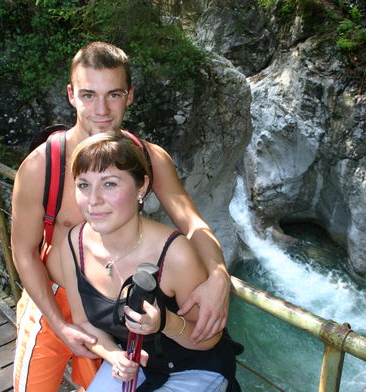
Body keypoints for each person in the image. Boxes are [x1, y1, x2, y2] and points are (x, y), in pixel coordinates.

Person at [11, 41, 231, 392]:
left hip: (111, 305)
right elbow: (23, 250)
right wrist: (58, 321)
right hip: (54, 298)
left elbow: (192, 223)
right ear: (71, 95)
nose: (101, 109)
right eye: (88, 95)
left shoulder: (148, 158)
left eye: (113, 95)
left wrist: (220, 277)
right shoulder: (42, 166)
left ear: (129, 95)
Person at [61, 131, 240, 392]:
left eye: (109, 184)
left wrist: (165, 322)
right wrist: (112, 354)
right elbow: (84, 322)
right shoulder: (74, 245)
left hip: (194, 365)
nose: (94, 200)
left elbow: (209, 337)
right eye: (84, 185)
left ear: (141, 187)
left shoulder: (175, 253)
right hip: (133, 363)